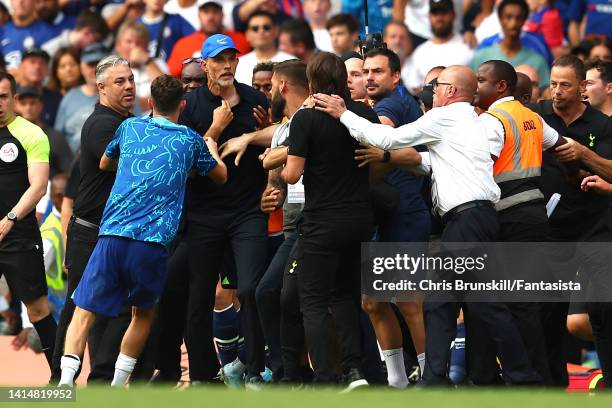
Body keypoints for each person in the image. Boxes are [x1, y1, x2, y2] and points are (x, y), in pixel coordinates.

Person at [314, 65, 542, 386]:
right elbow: (438, 163)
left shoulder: (444, 118)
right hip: (477, 219)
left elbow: (387, 138)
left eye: (437, 86)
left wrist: (343, 114)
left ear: (451, 91)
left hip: (467, 221)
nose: (432, 91)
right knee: (441, 302)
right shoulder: (477, 121)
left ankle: (521, 377)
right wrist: (404, 162)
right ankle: (437, 378)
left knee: (486, 306)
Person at [58, 74, 226, 388]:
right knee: (142, 315)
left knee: (83, 313)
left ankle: (65, 383)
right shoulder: (189, 140)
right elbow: (220, 175)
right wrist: (212, 140)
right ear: (183, 105)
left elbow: (106, 163)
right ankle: (118, 386)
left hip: (112, 236)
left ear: (149, 103)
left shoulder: (129, 127)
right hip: (152, 244)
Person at [281, 52, 379, 389]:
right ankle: (355, 371)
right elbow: (377, 162)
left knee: (313, 302)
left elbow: (292, 175)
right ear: (345, 80)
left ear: (311, 83)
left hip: (323, 222)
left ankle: (326, 377)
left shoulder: (305, 118)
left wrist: (275, 165)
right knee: (345, 297)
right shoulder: (364, 113)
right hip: (360, 217)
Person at [178, 34, 271, 388]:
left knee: (249, 290)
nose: (228, 65)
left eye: (232, 58)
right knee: (199, 295)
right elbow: (187, 163)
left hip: (247, 211)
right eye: (219, 59)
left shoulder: (255, 99)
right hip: (203, 214)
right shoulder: (191, 106)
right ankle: (203, 375)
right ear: (206, 66)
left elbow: (278, 142)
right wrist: (214, 129)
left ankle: (253, 368)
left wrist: (264, 133)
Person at [474, 59, 567, 385]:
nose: (475, 85)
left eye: (481, 80)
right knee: (526, 302)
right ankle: (537, 377)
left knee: (511, 303)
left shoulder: (493, 120)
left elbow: (477, 164)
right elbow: (562, 145)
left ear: (501, 86)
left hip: (508, 216)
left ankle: (524, 379)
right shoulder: (531, 116)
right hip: (534, 214)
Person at [51, 55, 136, 382]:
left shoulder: (126, 122)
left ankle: (100, 380)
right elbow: (126, 166)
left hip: (110, 231)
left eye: (130, 79)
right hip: (92, 232)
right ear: (100, 88)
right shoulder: (103, 124)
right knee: (78, 310)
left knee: (111, 311)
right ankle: (58, 382)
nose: (128, 85)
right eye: (119, 81)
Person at [531, 54, 612, 386]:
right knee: (547, 313)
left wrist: (584, 155)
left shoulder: (603, 125)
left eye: (565, 85)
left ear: (582, 87)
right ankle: (552, 388)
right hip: (551, 230)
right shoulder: (537, 118)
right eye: (553, 84)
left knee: (603, 308)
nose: (557, 91)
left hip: (596, 227)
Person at [354, 47, 430, 388]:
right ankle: (397, 382)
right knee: (373, 300)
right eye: (365, 71)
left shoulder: (392, 104)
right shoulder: (383, 104)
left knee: (409, 299)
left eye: (377, 72)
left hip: (406, 212)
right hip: (383, 213)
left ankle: (433, 377)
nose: (369, 77)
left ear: (395, 77)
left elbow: (377, 133)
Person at [0, 71, 57, 376]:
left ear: (14, 99)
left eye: (3, 96)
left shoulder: (31, 134)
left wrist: (9, 218)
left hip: (19, 235)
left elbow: (38, 186)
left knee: (37, 311)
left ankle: (62, 378)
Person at [470, 0, 550, 88]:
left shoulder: (538, 61)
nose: (513, 23)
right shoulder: (481, 56)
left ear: (524, 20)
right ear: (500, 19)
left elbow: (545, 94)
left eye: (518, 18)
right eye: (508, 17)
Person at [167, 1, 250, 78]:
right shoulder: (183, 44)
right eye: (206, 12)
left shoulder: (242, 40)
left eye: (215, 12)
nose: (211, 17)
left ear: (222, 15)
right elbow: (172, 78)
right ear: (199, 15)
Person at [405, 0, 473, 92]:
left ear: (454, 15)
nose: (439, 18)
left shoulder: (469, 44)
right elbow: (414, 87)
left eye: (444, 13)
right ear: (429, 17)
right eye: (435, 13)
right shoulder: (420, 52)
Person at [54, 42, 107, 152]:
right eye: (91, 64)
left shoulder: (120, 94)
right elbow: (58, 138)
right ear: (81, 67)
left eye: (99, 64)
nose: (95, 69)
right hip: (74, 163)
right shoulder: (68, 99)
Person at [14, 85, 73, 178]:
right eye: (23, 103)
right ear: (16, 106)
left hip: (48, 190)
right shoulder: (9, 135)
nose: (28, 108)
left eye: (32, 103)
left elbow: (70, 171)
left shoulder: (55, 137)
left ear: (41, 106)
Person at [114, 21, 165, 112]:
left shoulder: (158, 63)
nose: (134, 47)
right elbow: (121, 104)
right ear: (118, 45)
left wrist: (148, 62)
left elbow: (168, 94)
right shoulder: (111, 69)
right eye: (129, 42)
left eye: (138, 43)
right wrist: (156, 102)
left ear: (146, 46)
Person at [234, 12, 295, 86]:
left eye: (266, 27)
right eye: (255, 28)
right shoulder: (238, 64)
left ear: (276, 31)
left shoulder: (292, 62)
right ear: (247, 34)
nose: (261, 31)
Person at [0, 0, 53, 72]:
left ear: (35, 2)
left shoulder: (48, 31)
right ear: (11, 1)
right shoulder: (2, 32)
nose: (20, 2)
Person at [17, 49, 63, 127]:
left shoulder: (56, 99)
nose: (38, 67)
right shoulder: (8, 96)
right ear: (21, 66)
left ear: (48, 69)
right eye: (32, 62)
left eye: (42, 63)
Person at [41, 10, 109, 58]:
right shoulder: (49, 51)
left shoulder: (82, 52)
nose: (97, 44)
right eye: (97, 40)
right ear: (87, 32)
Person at [383, 21, 413, 87]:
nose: (397, 41)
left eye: (402, 37)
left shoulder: (418, 66)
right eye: (393, 36)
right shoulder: (375, 66)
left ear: (409, 41)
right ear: (384, 40)